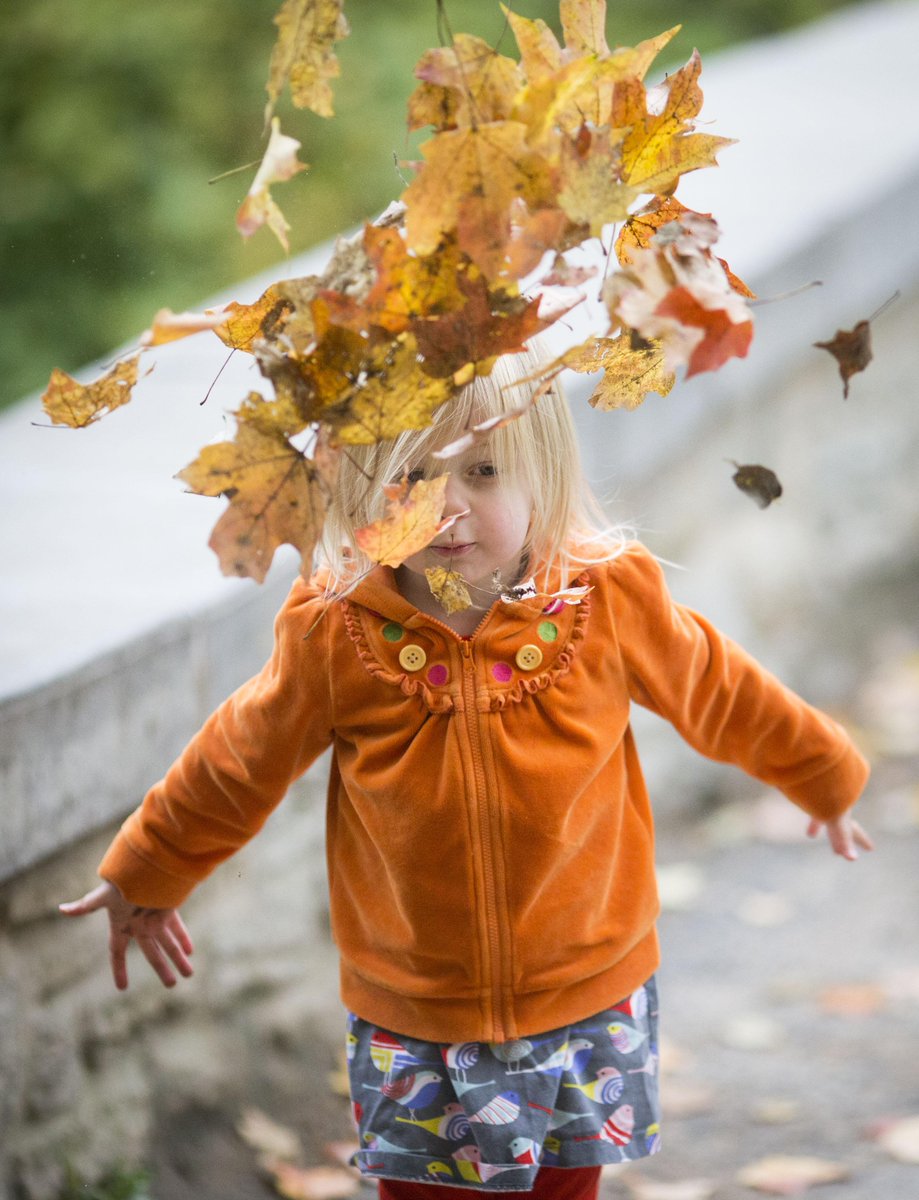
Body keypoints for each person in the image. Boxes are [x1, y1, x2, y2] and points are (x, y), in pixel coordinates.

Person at [60, 345, 872, 1200]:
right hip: (416, 1012)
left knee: (564, 1188)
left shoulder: (609, 602)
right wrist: (149, 868)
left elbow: (723, 691)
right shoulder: (337, 634)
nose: (447, 505)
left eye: (483, 470)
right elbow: (237, 761)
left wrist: (821, 769)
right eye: (408, 477)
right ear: (359, 492)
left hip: (584, 989)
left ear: (542, 478)